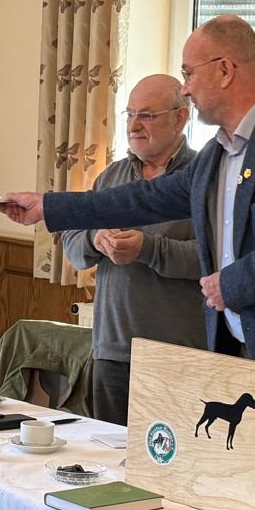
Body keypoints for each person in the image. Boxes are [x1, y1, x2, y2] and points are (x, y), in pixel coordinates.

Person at [1, 15, 255, 396]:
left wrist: (234, 283)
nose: (186, 89)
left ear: (225, 70)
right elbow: (144, 198)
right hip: (246, 353)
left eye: (189, 74)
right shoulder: (217, 153)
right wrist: (48, 207)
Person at [60, 74, 206, 424]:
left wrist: (148, 248)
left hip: (177, 356)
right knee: (109, 453)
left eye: (147, 116)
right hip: (112, 351)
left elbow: (215, 260)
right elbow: (73, 245)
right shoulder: (111, 177)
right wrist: (95, 238)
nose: (134, 126)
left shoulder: (203, 178)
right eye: (130, 114)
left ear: (180, 118)